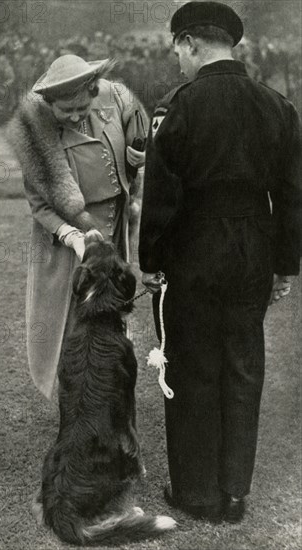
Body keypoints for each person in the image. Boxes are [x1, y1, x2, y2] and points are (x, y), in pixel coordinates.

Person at [139, 2, 301, 524]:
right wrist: (285, 266)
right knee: (243, 364)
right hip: (254, 246)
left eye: (178, 52)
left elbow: (162, 194)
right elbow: (294, 196)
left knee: (193, 364)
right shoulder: (278, 106)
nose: (178, 63)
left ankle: (196, 491)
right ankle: (234, 491)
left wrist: (151, 261)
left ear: (190, 42)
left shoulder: (178, 106)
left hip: (195, 249)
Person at [9, 54, 147, 399]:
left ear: (93, 91)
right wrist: (73, 236)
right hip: (66, 242)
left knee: (111, 312)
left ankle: (108, 388)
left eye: (81, 107)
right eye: (65, 110)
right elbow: (40, 205)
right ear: (48, 103)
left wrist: (138, 158)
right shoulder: (35, 132)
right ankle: (75, 400)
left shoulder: (113, 101)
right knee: (70, 324)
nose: (74, 116)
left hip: (112, 233)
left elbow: (140, 134)